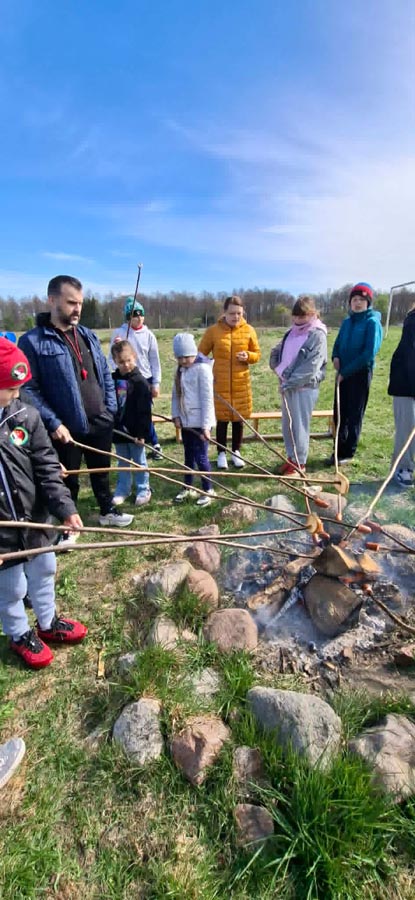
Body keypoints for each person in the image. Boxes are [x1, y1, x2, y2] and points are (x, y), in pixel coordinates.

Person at [18, 275, 133, 530]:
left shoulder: (88, 335)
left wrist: (110, 410)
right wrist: (54, 422)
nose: (77, 308)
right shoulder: (33, 341)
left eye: (79, 303)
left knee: (100, 470)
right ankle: (68, 522)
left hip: (99, 419)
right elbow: (28, 388)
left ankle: (107, 510)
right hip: (65, 428)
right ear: (52, 300)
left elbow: (103, 371)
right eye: (71, 302)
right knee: (67, 476)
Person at [0, 337, 87, 669]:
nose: (17, 394)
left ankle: (48, 623)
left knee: (44, 568)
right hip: (3, 532)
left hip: (36, 519)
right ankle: (19, 633)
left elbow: (48, 467)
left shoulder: (26, 416)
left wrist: (65, 508)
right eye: (10, 387)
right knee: (10, 586)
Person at [198, 295, 260, 469]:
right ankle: (221, 453)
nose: (236, 317)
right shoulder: (213, 331)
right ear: (224, 312)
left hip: (241, 383)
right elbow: (200, 354)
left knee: (238, 420)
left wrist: (248, 356)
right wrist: (209, 366)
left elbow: (257, 354)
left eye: (239, 313)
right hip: (220, 383)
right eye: (232, 313)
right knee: (222, 420)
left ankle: (236, 452)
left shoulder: (249, 330)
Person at [269, 297, 327, 475]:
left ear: (312, 314)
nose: (297, 321)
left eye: (301, 317)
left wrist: (290, 383)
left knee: (300, 426)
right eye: (295, 317)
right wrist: (277, 368)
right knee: (288, 424)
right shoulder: (291, 332)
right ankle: (291, 458)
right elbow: (279, 351)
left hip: (304, 388)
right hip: (287, 385)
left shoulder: (317, 334)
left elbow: (311, 366)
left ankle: (300, 462)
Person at [328, 282, 383, 465]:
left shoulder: (372, 323)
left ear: (368, 302)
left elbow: (368, 353)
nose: (357, 303)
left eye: (361, 299)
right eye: (354, 299)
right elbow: (337, 343)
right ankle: (337, 450)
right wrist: (335, 356)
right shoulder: (346, 322)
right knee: (339, 412)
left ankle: (348, 452)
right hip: (342, 373)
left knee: (353, 413)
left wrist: (346, 371)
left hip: (359, 373)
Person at [108, 297, 162, 458]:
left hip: (144, 378)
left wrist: (156, 382)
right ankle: (126, 437)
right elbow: (112, 357)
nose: (138, 318)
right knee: (128, 411)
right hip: (125, 380)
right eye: (134, 315)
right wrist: (119, 348)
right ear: (128, 317)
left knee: (144, 411)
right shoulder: (119, 333)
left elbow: (155, 359)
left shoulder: (149, 335)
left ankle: (152, 441)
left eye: (141, 315)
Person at [171, 333, 216, 507]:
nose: (183, 361)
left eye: (186, 357)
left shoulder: (203, 370)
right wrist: (176, 415)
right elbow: (176, 395)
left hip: (200, 423)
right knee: (188, 456)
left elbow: (207, 400)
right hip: (185, 421)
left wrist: (206, 426)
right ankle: (187, 486)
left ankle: (208, 489)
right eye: (179, 358)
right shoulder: (180, 370)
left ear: (194, 353)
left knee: (201, 457)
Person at [111, 340, 152, 506]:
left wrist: (142, 434)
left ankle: (143, 488)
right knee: (123, 461)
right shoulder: (113, 380)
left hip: (136, 432)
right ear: (115, 361)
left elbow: (144, 412)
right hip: (119, 430)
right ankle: (123, 488)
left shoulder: (140, 382)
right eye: (121, 362)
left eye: (128, 360)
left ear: (134, 357)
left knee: (139, 461)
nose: (126, 364)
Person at [388, 304, 415, 487]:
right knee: (407, 427)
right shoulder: (412, 321)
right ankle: (402, 467)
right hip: (406, 383)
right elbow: (408, 356)